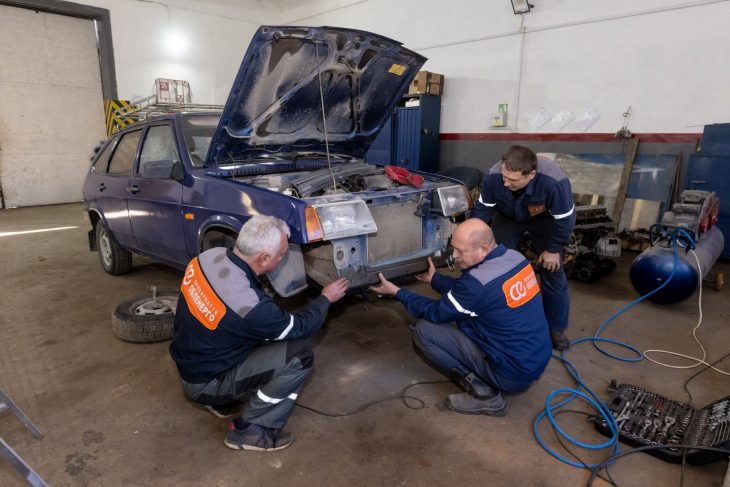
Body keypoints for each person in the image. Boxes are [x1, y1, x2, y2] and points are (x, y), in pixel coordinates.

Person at [169, 215, 348, 452]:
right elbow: (299, 328)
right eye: (281, 254)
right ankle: (250, 429)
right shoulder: (252, 308)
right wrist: (325, 299)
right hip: (206, 383)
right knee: (299, 355)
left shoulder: (207, 257)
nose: (283, 259)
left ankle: (221, 400)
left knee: (258, 335)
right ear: (263, 258)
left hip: (190, 365)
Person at [369, 219, 552, 416]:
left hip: (511, 375)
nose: (454, 256)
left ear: (483, 249)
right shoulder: (515, 258)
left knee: (425, 330)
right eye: (453, 248)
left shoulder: (476, 285)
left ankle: (485, 395)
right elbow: (471, 294)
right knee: (463, 316)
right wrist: (435, 279)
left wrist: (397, 292)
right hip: (535, 359)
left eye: (460, 251)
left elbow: (436, 312)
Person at [472, 145, 576, 350]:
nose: (506, 183)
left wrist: (553, 249)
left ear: (531, 175)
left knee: (553, 271)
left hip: (544, 221)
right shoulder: (493, 177)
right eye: (504, 177)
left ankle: (556, 328)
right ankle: (488, 319)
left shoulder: (554, 182)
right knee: (491, 266)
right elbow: (482, 211)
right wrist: (472, 241)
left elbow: (565, 219)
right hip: (507, 218)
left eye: (513, 180)